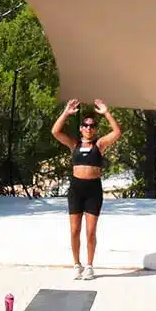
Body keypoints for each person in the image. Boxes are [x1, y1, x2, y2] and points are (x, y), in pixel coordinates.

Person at [50, 98, 120, 280]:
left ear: (95, 129)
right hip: (76, 189)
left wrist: (106, 112)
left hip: (93, 190)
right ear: (81, 128)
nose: (89, 128)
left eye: (92, 126)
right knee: (74, 230)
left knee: (90, 232)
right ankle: (76, 264)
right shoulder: (74, 145)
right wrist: (66, 112)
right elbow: (55, 131)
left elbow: (117, 132)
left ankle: (89, 266)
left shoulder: (99, 145)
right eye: (85, 125)